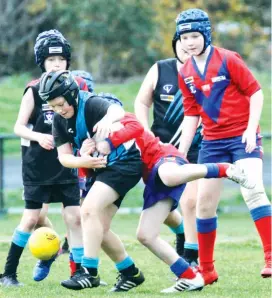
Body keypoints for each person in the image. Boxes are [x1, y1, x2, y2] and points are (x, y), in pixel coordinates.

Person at [88, 112, 254, 292]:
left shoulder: (120, 118)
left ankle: (222, 168)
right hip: (152, 179)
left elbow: (137, 126)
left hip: (165, 158)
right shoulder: (88, 137)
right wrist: (84, 157)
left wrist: (109, 141)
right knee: (145, 235)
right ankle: (190, 277)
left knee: (168, 176)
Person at [175, 8, 271, 286]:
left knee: (253, 190)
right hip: (212, 143)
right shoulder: (186, 71)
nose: (190, 42)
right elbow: (191, 113)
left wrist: (252, 129)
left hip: (242, 138)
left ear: (206, 34)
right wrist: (181, 153)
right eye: (185, 37)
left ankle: (270, 257)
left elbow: (256, 92)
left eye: (195, 35)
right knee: (204, 206)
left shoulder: (228, 59)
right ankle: (207, 270)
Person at [38, 70, 145, 292]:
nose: (59, 110)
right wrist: (82, 160)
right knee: (98, 229)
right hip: (101, 168)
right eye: (54, 107)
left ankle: (88, 272)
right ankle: (130, 273)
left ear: (71, 94)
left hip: (126, 163)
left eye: (61, 104)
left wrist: (107, 120)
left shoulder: (92, 104)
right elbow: (64, 158)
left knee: (87, 211)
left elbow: (117, 110)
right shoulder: (60, 120)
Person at [0, 29, 88, 287]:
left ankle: (79, 272)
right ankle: (8, 273)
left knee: (74, 217)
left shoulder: (76, 87)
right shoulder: (34, 90)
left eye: (61, 59)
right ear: (42, 63)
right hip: (37, 165)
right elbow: (18, 127)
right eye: (51, 60)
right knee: (30, 218)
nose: (57, 64)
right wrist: (39, 137)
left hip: (66, 164)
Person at [134, 32, 202, 265]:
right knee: (161, 203)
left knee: (190, 201)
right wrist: (145, 133)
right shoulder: (161, 69)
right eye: (182, 42)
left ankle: (191, 256)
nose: (187, 47)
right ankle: (182, 231)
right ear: (176, 44)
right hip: (159, 150)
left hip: (196, 147)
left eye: (192, 40)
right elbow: (142, 102)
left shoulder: (206, 72)